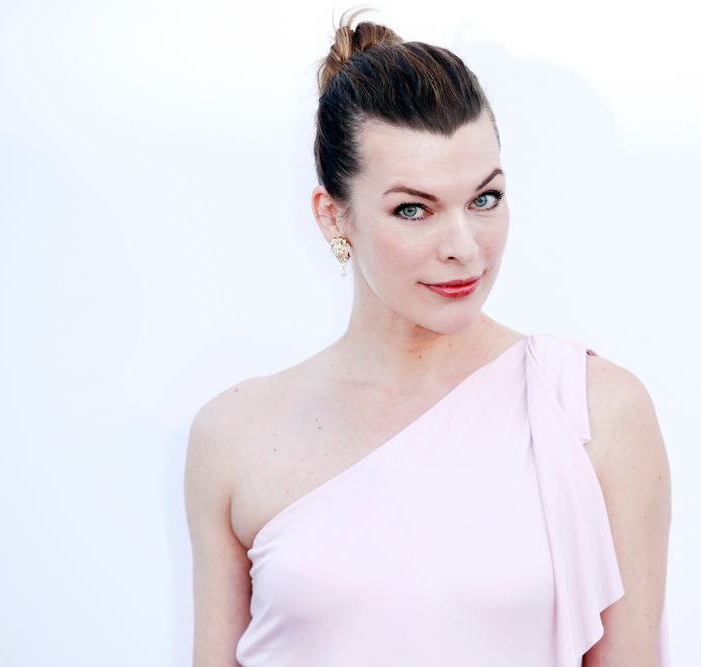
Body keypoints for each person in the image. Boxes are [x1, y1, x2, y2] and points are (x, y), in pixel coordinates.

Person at [185, 9, 671, 667]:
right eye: (413, 209)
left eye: (484, 199)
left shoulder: (594, 412)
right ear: (333, 216)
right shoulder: (234, 433)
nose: (463, 248)